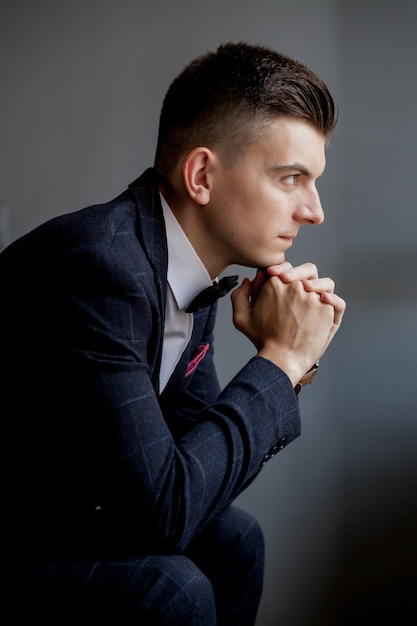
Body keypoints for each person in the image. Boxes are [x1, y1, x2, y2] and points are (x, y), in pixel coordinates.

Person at [0, 41, 345, 624]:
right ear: (202, 175)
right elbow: (164, 512)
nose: (314, 210)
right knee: (170, 588)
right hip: (17, 535)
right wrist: (283, 360)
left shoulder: (188, 267)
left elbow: (199, 481)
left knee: (234, 541)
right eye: (292, 178)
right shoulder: (100, 268)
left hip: (61, 515)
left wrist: (288, 365)